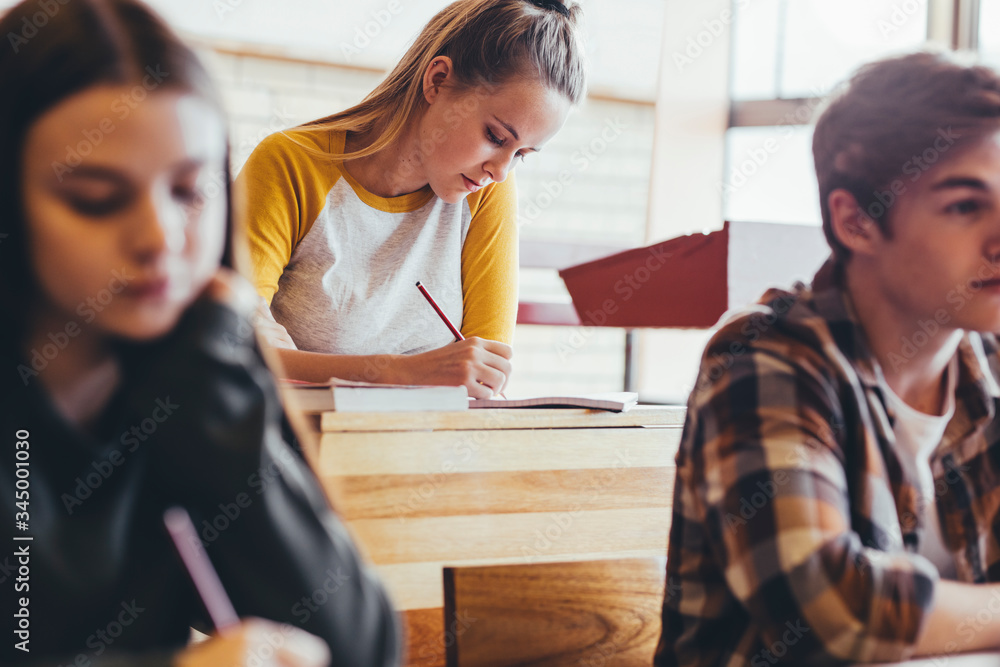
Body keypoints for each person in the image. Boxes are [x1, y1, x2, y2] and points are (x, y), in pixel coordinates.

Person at [0, 0, 400, 664]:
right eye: (96, 198)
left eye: (189, 191)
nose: (160, 239)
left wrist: (214, 379)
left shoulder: (191, 366)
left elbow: (357, 648)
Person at [656, 52, 1000, 665]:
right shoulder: (762, 360)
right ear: (856, 220)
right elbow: (833, 614)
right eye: (965, 206)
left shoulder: (989, 366)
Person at [236, 0, 586, 398]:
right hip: (296, 448)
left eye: (521, 155)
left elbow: (483, 378)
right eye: (495, 137)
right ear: (437, 81)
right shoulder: (290, 165)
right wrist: (402, 372)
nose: (500, 171)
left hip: (425, 451)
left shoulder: (487, 194)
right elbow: (232, 345)